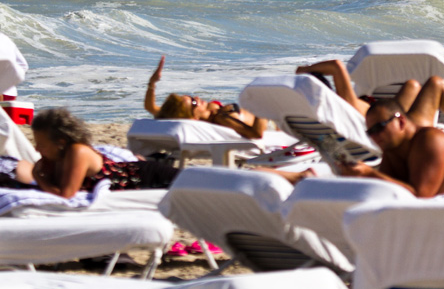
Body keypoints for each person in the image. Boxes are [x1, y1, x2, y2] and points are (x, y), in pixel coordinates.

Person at [295, 59, 444, 131]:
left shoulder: (321, 109)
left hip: (387, 116)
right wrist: (305, 69)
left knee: (411, 85)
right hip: (401, 128)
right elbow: (337, 66)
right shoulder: (343, 102)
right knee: (435, 83)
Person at [30, 108, 180, 198]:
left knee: (197, 185)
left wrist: (37, 176)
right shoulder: (56, 158)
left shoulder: (77, 151)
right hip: (139, 175)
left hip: (149, 177)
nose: (37, 149)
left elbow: (65, 195)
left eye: (42, 145)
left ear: (61, 143)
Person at [144, 56, 269, 139]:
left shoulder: (212, 113)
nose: (197, 98)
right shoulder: (222, 118)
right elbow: (256, 134)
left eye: (191, 96)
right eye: (193, 102)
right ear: (193, 118)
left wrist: (152, 83)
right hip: (276, 125)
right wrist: (263, 105)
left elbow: (151, 108)